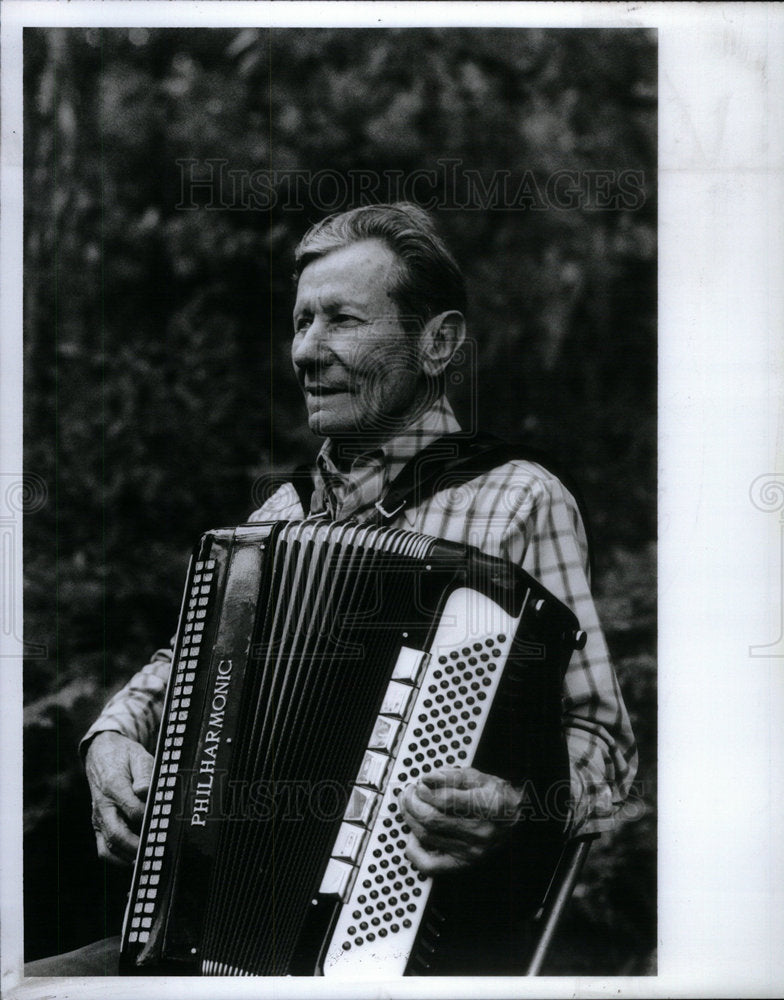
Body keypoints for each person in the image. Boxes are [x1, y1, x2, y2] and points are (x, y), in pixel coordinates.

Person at [27, 203, 636, 976]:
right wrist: (110, 740)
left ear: (437, 341)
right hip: (216, 936)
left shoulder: (517, 498)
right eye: (300, 322)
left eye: (341, 321)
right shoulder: (277, 520)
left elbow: (602, 742)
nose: (306, 352)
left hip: (410, 951)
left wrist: (516, 808)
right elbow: (180, 669)